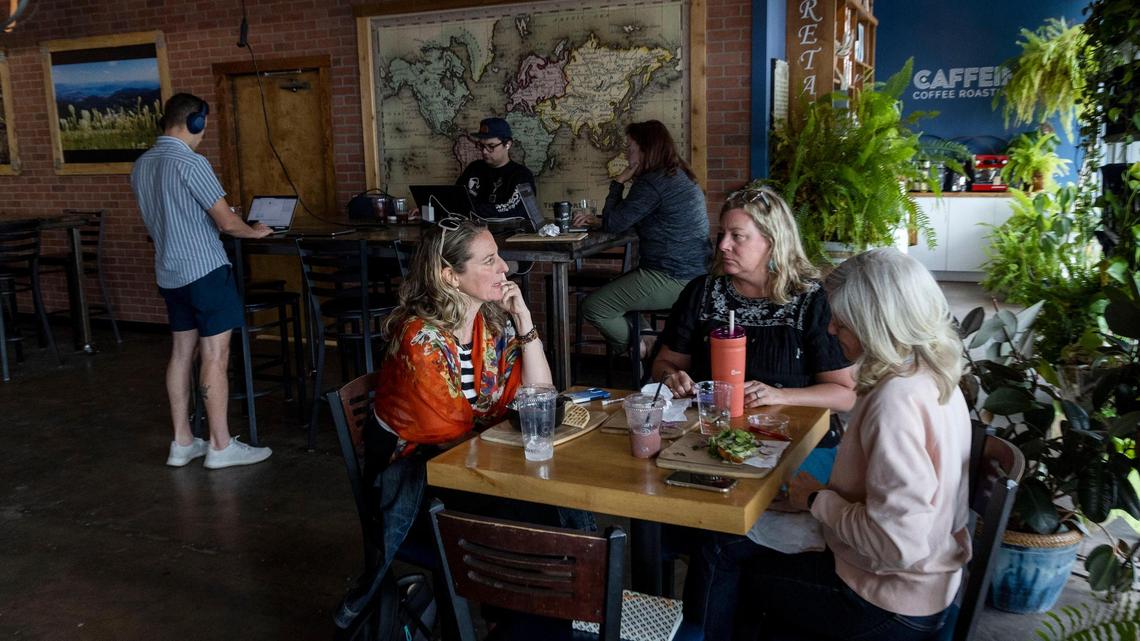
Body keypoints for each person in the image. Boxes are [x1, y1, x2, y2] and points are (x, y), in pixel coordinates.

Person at [686, 247, 972, 641]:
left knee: (723, 551)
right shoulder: (934, 374)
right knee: (738, 540)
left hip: (888, 601)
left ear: (875, 324)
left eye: (842, 322)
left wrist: (816, 500)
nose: (832, 330)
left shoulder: (895, 402)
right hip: (928, 580)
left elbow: (898, 543)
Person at [130, 92, 274, 469]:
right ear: (195, 122)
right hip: (205, 271)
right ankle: (221, 445)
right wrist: (253, 230)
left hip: (169, 272)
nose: (203, 132)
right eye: (203, 125)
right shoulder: (192, 163)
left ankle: (182, 442)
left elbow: (170, 214)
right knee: (215, 355)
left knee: (181, 354)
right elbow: (227, 223)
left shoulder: (142, 165)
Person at [651, 186, 854, 416]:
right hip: (711, 426)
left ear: (772, 241)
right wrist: (672, 378)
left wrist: (781, 395)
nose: (723, 245)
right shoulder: (702, 292)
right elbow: (663, 364)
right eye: (723, 234)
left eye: (737, 236)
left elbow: (845, 395)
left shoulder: (811, 300)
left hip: (787, 428)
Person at [573, 120, 711, 357]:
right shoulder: (677, 174)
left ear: (646, 149)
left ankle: (649, 352)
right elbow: (629, 219)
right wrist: (600, 221)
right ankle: (646, 339)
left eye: (630, 147)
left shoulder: (652, 182)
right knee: (616, 295)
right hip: (695, 275)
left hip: (673, 277)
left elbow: (615, 224)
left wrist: (618, 182)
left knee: (595, 307)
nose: (627, 154)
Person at [457, 117, 536, 221]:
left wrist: (473, 210)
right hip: (469, 228)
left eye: (491, 146)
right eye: (481, 145)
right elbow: (456, 198)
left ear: (507, 144)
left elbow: (516, 210)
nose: (484, 151)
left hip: (507, 230)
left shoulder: (522, 175)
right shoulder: (474, 168)